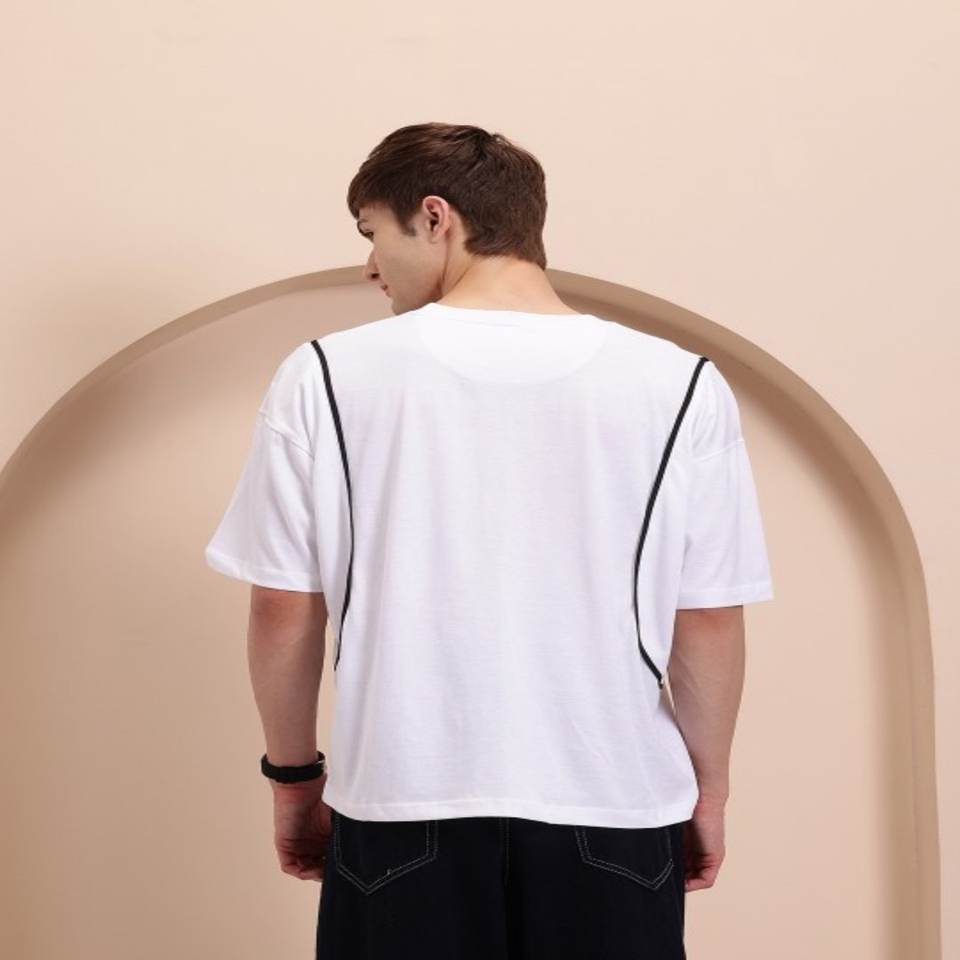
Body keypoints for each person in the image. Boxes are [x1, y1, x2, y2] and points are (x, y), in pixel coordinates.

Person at [204, 122, 775, 959]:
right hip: (615, 804)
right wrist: (708, 790)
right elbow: (708, 618)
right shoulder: (680, 384)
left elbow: (284, 607)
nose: (370, 267)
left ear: (436, 218)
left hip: (401, 803)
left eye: (373, 233)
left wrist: (294, 780)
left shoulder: (324, 374)